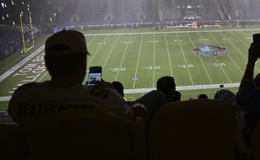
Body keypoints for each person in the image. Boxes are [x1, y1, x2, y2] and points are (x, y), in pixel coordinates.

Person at [8, 30, 166, 130]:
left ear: (47, 63)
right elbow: (133, 125)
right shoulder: (106, 99)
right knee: (157, 96)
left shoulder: (22, 97)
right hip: (99, 157)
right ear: (83, 62)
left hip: (46, 159)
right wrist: (108, 92)